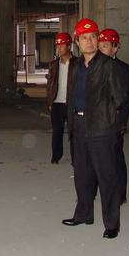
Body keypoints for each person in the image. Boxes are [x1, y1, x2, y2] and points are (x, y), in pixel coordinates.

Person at [62, 18, 126, 239]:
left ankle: (111, 223)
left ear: (97, 40)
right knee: (82, 174)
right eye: (84, 38)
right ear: (77, 42)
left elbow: (120, 97)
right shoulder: (76, 66)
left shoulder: (108, 65)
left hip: (101, 128)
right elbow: (72, 95)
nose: (89, 41)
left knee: (106, 176)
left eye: (92, 37)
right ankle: (83, 214)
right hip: (79, 125)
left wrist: (105, 117)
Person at [97, 28, 129, 204]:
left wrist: (121, 123)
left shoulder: (124, 70)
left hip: (114, 123)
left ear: (115, 47)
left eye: (105, 45)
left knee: (115, 158)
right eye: (100, 46)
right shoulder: (92, 67)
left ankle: (119, 194)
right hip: (96, 123)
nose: (101, 49)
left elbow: (126, 99)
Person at [45, 32, 77, 164]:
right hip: (57, 102)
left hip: (71, 103)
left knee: (74, 133)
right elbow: (50, 84)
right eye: (57, 45)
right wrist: (50, 101)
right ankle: (56, 156)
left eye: (62, 45)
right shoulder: (53, 64)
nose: (59, 48)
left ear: (69, 46)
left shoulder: (77, 63)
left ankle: (76, 159)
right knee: (57, 131)